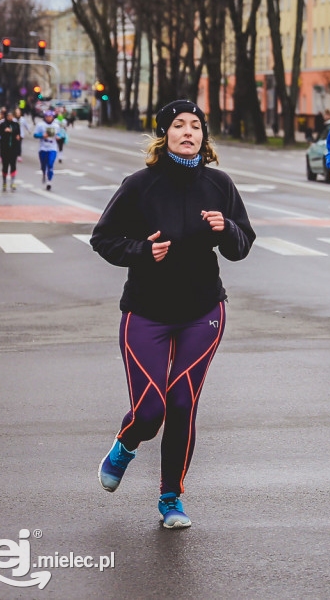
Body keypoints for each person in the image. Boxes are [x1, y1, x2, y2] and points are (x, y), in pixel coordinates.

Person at [91, 100, 255, 529]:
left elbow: (242, 246)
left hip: (203, 311)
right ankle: (126, 445)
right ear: (164, 135)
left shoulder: (219, 184)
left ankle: (170, 498)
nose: (188, 131)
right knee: (149, 411)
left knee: (181, 402)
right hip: (147, 312)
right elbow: (103, 239)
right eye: (179, 125)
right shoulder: (139, 185)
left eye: (195, 125)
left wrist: (227, 228)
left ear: (204, 135)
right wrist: (143, 251)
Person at [34, 111, 66, 190]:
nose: (49, 118)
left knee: (50, 164)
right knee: (43, 165)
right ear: (45, 117)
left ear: (52, 117)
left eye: (50, 117)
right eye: (47, 117)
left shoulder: (56, 125)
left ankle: (49, 181)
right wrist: (42, 135)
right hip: (43, 148)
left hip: (52, 148)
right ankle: (44, 173)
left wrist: (58, 136)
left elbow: (59, 133)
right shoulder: (40, 125)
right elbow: (35, 135)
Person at [0, 110, 22, 192]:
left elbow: (18, 134)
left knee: (13, 165)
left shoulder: (16, 125)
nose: (10, 117)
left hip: (13, 148)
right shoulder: (2, 125)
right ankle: (4, 182)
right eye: (9, 116)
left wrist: (17, 136)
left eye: (11, 116)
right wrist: (4, 131)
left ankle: (13, 182)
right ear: (6, 116)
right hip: (5, 149)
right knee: (5, 166)